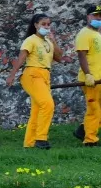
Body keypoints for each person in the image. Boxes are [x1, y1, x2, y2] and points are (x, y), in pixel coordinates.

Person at [6, 13, 63, 149]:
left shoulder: (48, 42)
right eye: (43, 24)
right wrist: (12, 75)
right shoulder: (30, 40)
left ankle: (29, 143)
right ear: (36, 25)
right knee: (48, 104)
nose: (46, 27)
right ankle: (41, 138)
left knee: (37, 110)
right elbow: (21, 58)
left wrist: (54, 40)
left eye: (48, 24)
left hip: (45, 75)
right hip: (32, 74)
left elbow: (59, 57)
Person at [74, 4, 101, 146]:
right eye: (95, 15)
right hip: (91, 80)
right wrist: (88, 75)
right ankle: (90, 140)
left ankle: (84, 129)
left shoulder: (97, 34)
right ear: (88, 17)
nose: (98, 18)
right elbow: (81, 55)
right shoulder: (84, 34)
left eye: (100, 16)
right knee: (94, 110)